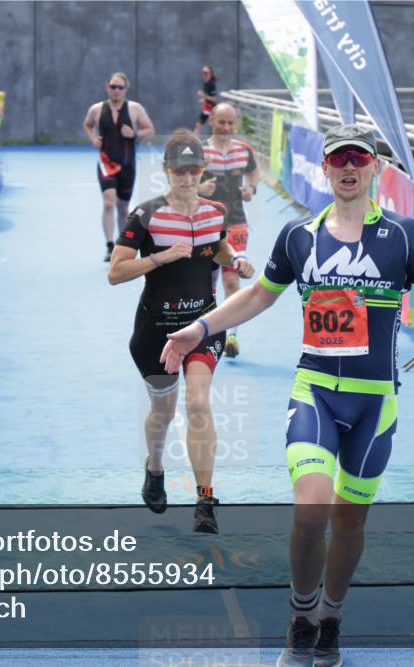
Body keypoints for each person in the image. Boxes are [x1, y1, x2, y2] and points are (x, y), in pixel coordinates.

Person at [160, 124, 414, 667]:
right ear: (325, 168)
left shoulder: (406, 236)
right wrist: (198, 330)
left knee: (350, 519)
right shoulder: (300, 236)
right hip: (315, 391)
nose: (348, 168)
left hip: (375, 404)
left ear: (374, 169)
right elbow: (256, 298)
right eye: (338, 159)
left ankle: (332, 619)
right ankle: (300, 616)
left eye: (358, 160)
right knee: (312, 506)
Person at [109, 129, 254, 534]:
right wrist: (161, 258)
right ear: (167, 171)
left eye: (193, 170)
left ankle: (205, 499)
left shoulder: (215, 211)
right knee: (163, 412)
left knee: (198, 405)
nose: (187, 178)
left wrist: (236, 259)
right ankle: (154, 467)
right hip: (155, 332)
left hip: (204, 325)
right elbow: (115, 273)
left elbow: (218, 247)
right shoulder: (146, 214)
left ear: (202, 169)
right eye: (179, 171)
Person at [199, 103, 259, 358]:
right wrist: (200, 190)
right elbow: (182, 183)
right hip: (205, 224)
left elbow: (254, 173)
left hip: (235, 221)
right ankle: (205, 329)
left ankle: (231, 336)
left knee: (231, 278)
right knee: (208, 281)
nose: (226, 128)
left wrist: (251, 189)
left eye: (230, 123)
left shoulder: (243, 151)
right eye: (221, 122)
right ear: (211, 121)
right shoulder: (200, 152)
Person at [83, 72, 156, 262]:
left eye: (120, 87)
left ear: (125, 89)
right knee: (108, 202)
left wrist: (134, 133)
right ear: (107, 87)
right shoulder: (97, 109)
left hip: (127, 164)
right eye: (113, 86)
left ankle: (121, 244)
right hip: (106, 162)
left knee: (123, 208)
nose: (116, 91)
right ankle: (109, 246)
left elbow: (150, 130)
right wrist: (94, 139)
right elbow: (88, 125)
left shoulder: (135, 109)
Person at [192, 65, 218, 135]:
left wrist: (204, 96)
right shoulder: (206, 83)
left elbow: (214, 99)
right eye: (203, 73)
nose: (204, 75)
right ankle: (193, 143)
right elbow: (208, 97)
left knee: (215, 126)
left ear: (210, 74)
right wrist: (203, 100)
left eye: (206, 73)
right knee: (198, 125)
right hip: (206, 109)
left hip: (212, 109)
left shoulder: (212, 84)